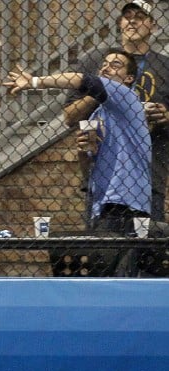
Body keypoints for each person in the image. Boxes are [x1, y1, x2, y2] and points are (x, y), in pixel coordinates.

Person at [5, 50, 151, 275]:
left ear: (129, 78)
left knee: (124, 277)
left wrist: (34, 81)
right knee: (102, 276)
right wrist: (85, 152)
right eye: (104, 64)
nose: (106, 67)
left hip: (127, 205)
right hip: (101, 205)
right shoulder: (96, 116)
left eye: (115, 65)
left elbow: (81, 79)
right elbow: (87, 171)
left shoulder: (126, 97)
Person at [63, 0, 169, 223]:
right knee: (102, 249)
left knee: (147, 249)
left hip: (149, 172)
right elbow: (69, 117)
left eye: (140, 17)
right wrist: (102, 88)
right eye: (127, 16)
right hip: (103, 171)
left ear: (153, 25)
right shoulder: (96, 61)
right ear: (120, 23)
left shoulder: (165, 66)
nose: (132, 20)